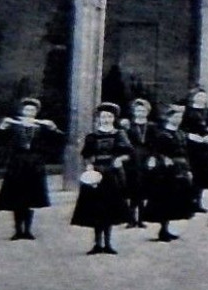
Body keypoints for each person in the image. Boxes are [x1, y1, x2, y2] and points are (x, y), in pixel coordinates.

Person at [0, 97, 61, 240]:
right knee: (17, 197)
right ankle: (18, 230)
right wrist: (2, 126)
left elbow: (58, 140)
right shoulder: (14, 125)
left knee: (30, 198)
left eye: (33, 110)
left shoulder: (41, 126)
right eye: (27, 109)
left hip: (35, 164)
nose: (30, 112)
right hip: (17, 163)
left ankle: (27, 230)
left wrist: (53, 128)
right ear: (22, 111)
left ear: (36, 112)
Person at [72, 102, 133, 255]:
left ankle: (108, 243)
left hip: (112, 173)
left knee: (110, 209)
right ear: (98, 118)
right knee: (96, 209)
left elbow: (128, 153)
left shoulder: (119, 134)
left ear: (114, 118)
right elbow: (86, 155)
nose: (106, 119)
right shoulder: (92, 136)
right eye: (103, 116)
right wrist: (89, 167)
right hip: (97, 173)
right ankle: (97, 243)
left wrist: (120, 159)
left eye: (109, 116)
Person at [141, 101, 195, 242]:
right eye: (175, 117)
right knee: (164, 199)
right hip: (165, 172)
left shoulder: (181, 134)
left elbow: (185, 153)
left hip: (180, 169)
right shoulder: (162, 133)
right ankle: (162, 229)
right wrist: (163, 158)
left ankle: (167, 228)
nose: (178, 120)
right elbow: (155, 150)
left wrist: (188, 169)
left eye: (180, 117)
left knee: (175, 200)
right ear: (169, 117)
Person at [180, 87, 208, 214]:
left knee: (202, 176)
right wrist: (190, 136)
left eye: (203, 96)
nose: (201, 99)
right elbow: (182, 129)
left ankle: (198, 202)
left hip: (204, 148)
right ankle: (188, 202)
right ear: (194, 98)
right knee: (192, 175)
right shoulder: (187, 112)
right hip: (191, 147)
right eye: (199, 96)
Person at [119, 97, 155, 228]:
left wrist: (153, 157)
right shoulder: (129, 126)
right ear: (134, 112)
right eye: (138, 110)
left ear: (147, 111)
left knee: (143, 188)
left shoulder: (152, 126)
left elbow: (155, 144)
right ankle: (131, 218)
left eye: (143, 110)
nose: (141, 112)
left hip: (146, 158)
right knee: (132, 188)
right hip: (132, 159)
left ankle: (141, 219)